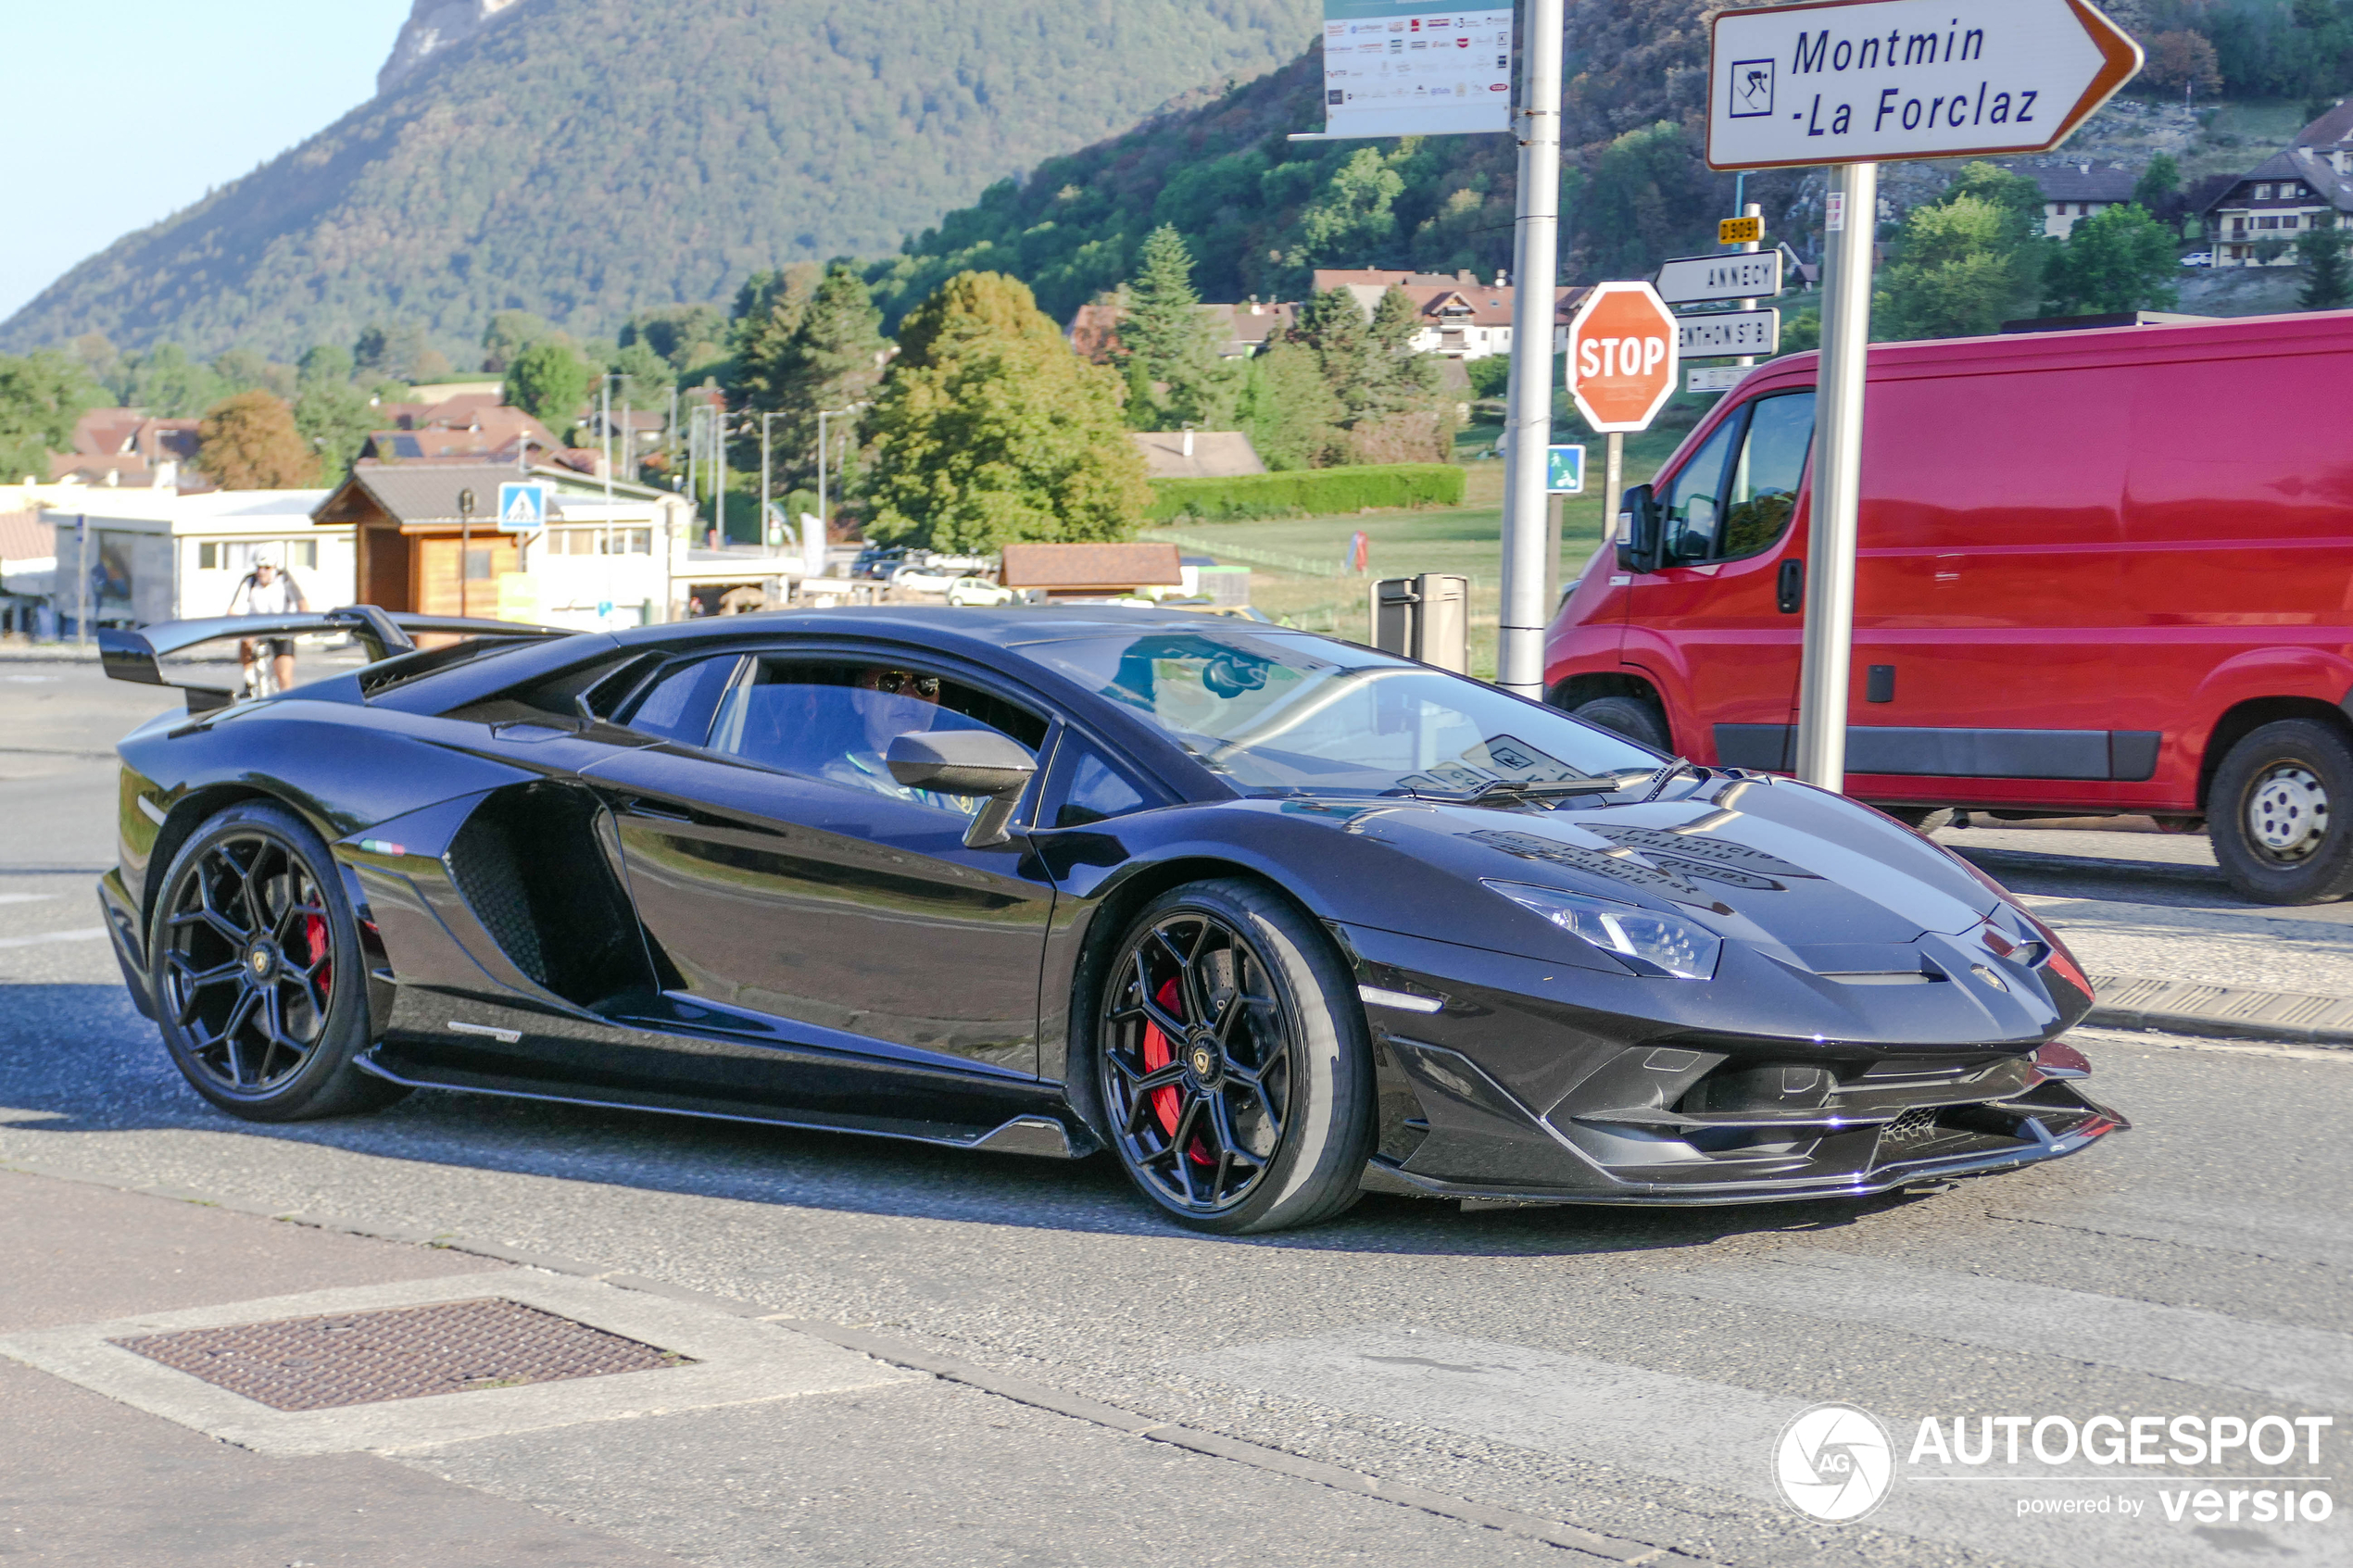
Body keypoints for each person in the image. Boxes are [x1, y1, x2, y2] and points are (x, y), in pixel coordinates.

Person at [227, 550, 308, 696]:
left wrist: (304, 623)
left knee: (284, 676)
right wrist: (232, 623)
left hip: (282, 630)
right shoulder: (250, 580)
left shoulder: (285, 580)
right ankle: (249, 680)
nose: (261, 572)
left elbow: (302, 604)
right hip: (257, 627)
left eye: (266, 568)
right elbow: (234, 609)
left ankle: (285, 701)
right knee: (246, 641)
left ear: (275, 567)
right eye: (258, 567)